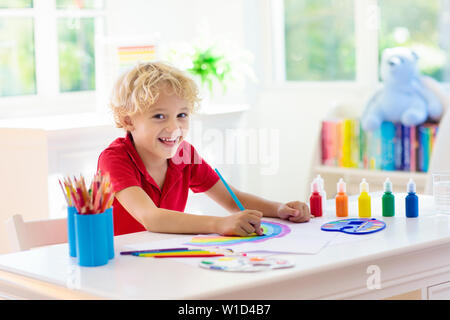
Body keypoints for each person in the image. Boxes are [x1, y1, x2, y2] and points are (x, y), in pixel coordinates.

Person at [98, 61, 311, 236]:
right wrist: (218, 224)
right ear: (128, 121)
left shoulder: (185, 155)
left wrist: (280, 209)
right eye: (159, 116)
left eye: (182, 115)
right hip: (116, 263)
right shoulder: (114, 159)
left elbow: (232, 199)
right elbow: (151, 217)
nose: (174, 128)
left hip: (161, 257)